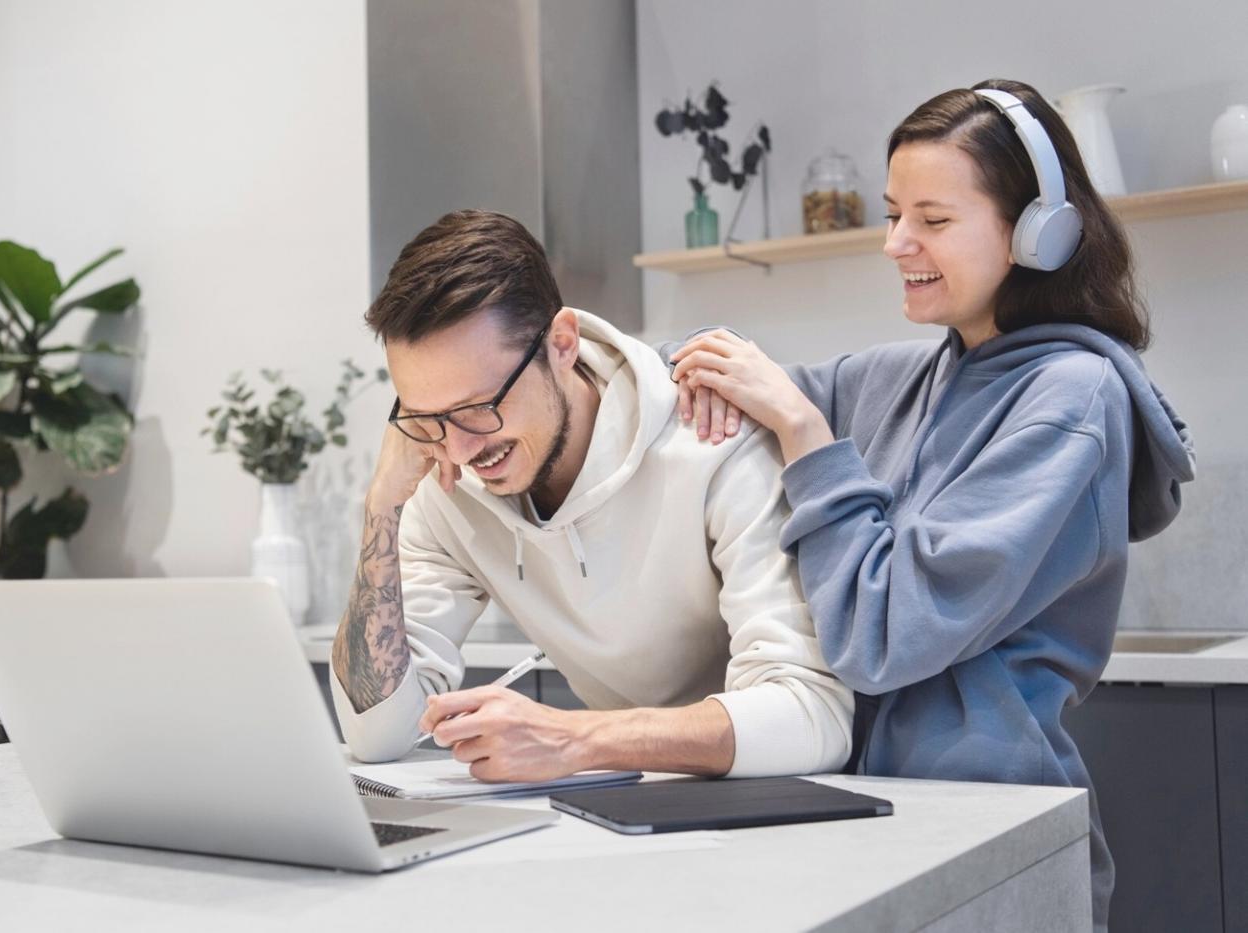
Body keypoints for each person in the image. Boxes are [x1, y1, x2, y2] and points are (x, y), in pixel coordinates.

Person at [665, 79, 1195, 930]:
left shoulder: (1070, 398)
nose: (895, 243)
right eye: (891, 214)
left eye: (933, 219)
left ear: (1037, 230)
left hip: (991, 831)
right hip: (867, 817)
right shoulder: (903, 375)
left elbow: (881, 638)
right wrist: (651, 363)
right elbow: (711, 383)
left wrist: (803, 433)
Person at [330, 209, 853, 783]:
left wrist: (573, 738)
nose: (458, 448)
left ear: (561, 343)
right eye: (426, 416)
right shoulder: (446, 483)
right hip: (617, 799)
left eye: (479, 407)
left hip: (768, 802)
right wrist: (382, 507)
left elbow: (813, 717)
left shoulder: (710, 437)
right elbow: (375, 735)